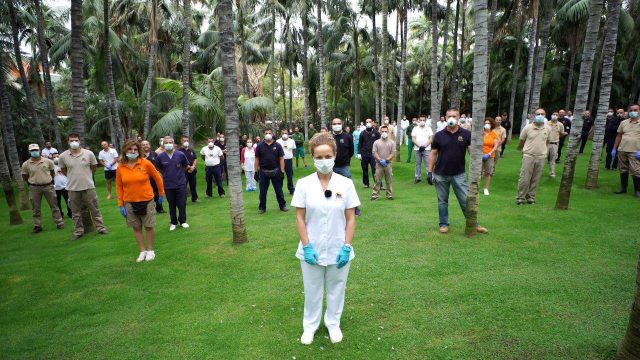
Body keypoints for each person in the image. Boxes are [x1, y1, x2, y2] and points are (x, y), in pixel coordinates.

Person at [291, 132, 360, 345]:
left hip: (339, 247)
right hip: (311, 248)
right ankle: (310, 326)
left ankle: (333, 324)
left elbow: (350, 218)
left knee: (336, 288)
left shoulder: (345, 184)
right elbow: (300, 218)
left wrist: (347, 246)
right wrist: (307, 246)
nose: (323, 161)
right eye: (319, 157)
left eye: (327, 156)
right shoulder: (303, 184)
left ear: (335, 155)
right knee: (312, 290)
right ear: (312, 157)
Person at [427, 109, 488, 234]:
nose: (451, 118)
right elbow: (433, 154)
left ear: (458, 117)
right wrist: (429, 171)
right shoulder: (439, 135)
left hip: (459, 174)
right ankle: (443, 224)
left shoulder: (466, 134)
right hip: (440, 174)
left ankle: (474, 224)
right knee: (442, 201)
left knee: (465, 200)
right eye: (449, 116)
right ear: (445, 117)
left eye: (454, 116)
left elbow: (471, 152)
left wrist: (477, 167)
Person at [116, 139, 165, 262]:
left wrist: (161, 194)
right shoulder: (121, 167)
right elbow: (119, 186)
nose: (132, 151)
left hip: (146, 200)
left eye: (135, 149)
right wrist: (121, 204)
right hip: (129, 202)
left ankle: (150, 250)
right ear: (125, 151)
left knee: (149, 226)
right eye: (130, 149)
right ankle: (142, 251)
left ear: (139, 151)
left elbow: (157, 178)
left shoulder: (145, 163)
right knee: (136, 227)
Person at [58, 133, 108, 240]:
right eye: (71, 140)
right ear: (68, 142)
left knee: (94, 209)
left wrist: (86, 177)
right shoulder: (63, 156)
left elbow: (93, 168)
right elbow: (63, 170)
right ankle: (78, 231)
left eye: (75, 140)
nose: (74, 142)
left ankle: (100, 228)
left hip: (88, 186)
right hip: (72, 188)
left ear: (79, 141)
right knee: (75, 212)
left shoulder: (89, 153)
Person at [21, 144, 65, 233]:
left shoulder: (48, 161)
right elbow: (25, 176)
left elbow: (52, 172)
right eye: (32, 150)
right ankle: (37, 225)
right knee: (35, 208)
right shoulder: (26, 164)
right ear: (29, 152)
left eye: (36, 150)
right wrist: (31, 182)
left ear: (39, 150)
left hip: (48, 186)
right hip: (34, 187)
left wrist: (48, 179)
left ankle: (59, 222)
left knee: (54, 205)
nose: (35, 152)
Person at [516, 109, 551, 205]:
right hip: (528, 155)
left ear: (545, 115)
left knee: (536, 178)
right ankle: (521, 197)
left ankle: (531, 197)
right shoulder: (527, 128)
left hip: (541, 157)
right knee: (525, 177)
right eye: (538, 114)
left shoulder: (548, 128)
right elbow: (522, 141)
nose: (540, 115)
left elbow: (547, 141)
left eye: (542, 114)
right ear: (534, 115)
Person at [156, 136, 190, 230]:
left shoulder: (180, 154)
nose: (168, 144)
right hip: (168, 184)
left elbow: (186, 166)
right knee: (171, 204)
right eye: (166, 142)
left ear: (174, 144)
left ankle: (183, 221)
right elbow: (159, 168)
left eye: (170, 142)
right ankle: (173, 222)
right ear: (163, 145)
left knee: (181, 203)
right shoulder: (160, 157)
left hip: (180, 183)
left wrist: (179, 173)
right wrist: (167, 174)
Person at [255, 129, 288, 213]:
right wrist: (256, 171)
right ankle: (262, 208)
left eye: (269, 133)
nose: (268, 134)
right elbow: (257, 159)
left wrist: (282, 171)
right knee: (262, 191)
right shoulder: (259, 146)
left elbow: (281, 158)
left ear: (272, 134)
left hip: (276, 171)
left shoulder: (277, 145)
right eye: (266, 133)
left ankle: (282, 206)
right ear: (264, 134)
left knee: (279, 190)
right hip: (263, 171)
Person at [612, 104, 640, 196]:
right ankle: (623, 188)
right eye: (631, 110)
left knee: (636, 171)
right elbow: (619, 136)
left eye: (635, 110)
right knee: (623, 169)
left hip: (635, 151)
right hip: (622, 150)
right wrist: (614, 148)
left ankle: (637, 191)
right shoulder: (624, 122)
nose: (633, 112)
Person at [371, 126, 396, 200]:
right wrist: (380, 160)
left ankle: (389, 195)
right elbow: (374, 152)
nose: (384, 133)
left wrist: (386, 160)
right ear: (380, 132)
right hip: (379, 165)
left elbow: (393, 153)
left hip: (388, 164)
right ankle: (375, 195)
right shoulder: (376, 142)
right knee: (377, 181)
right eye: (383, 131)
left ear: (388, 132)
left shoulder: (392, 142)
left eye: (386, 131)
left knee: (389, 181)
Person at [141, 140, 165, 213]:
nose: (145, 146)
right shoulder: (140, 155)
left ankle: (159, 208)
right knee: (147, 193)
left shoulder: (154, 154)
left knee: (157, 192)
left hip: (154, 177)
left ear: (149, 145)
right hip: (144, 178)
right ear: (141, 146)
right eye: (143, 144)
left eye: (147, 144)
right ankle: (149, 209)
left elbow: (159, 164)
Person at [357, 118, 380, 188]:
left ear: (372, 122)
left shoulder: (376, 133)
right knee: (365, 169)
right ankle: (366, 184)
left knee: (375, 169)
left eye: (370, 122)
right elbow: (360, 144)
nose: (368, 123)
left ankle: (378, 184)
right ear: (365, 123)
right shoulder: (362, 133)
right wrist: (359, 153)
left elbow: (379, 143)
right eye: (367, 122)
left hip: (373, 154)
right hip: (364, 153)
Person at [481, 118, 500, 196]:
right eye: (485, 123)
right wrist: (481, 153)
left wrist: (489, 153)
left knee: (488, 172)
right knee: (478, 172)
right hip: (480, 155)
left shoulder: (494, 133)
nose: (487, 124)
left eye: (488, 123)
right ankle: (475, 188)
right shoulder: (481, 133)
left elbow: (495, 145)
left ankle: (486, 188)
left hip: (490, 155)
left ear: (491, 124)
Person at [412, 117, 433, 183]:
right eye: (421, 120)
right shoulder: (415, 128)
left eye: (423, 120)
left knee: (428, 163)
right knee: (417, 163)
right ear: (418, 120)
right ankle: (417, 177)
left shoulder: (429, 128)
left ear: (426, 120)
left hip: (426, 149)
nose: (422, 121)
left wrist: (424, 146)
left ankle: (430, 177)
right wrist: (419, 146)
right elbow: (413, 139)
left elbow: (430, 139)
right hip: (417, 149)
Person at [178, 136, 199, 202]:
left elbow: (195, 159)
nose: (186, 142)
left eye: (187, 140)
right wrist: (188, 167)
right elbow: (178, 161)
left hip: (192, 171)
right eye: (184, 140)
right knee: (183, 186)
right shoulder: (179, 151)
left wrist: (193, 166)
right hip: (184, 172)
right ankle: (183, 199)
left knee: (193, 185)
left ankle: (194, 198)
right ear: (181, 142)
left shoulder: (191, 150)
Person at [277, 129, 297, 195]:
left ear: (288, 134)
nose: (284, 134)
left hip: (289, 160)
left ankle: (291, 189)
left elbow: (294, 149)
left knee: (290, 175)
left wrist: (291, 155)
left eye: (285, 133)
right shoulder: (278, 141)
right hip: (280, 161)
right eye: (283, 133)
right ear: (281, 134)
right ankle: (279, 190)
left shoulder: (292, 141)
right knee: (280, 176)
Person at [52, 153, 72, 218]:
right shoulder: (51, 167)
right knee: (57, 203)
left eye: (57, 157)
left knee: (68, 201)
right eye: (54, 157)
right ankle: (60, 214)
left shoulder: (65, 165)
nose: (56, 158)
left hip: (66, 186)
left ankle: (70, 213)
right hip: (56, 188)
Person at [546, 112, 566, 178]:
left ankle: (552, 172)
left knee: (553, 159)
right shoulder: (546, 123)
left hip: (555, 144)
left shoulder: (560, 125)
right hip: (546, 143)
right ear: (551, 115)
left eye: (556, 115)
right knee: (542, 158)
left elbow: (561, 133)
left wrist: (556, 137)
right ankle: (538, 172)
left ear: (558, 116)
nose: (554, 116)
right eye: (553, 114)